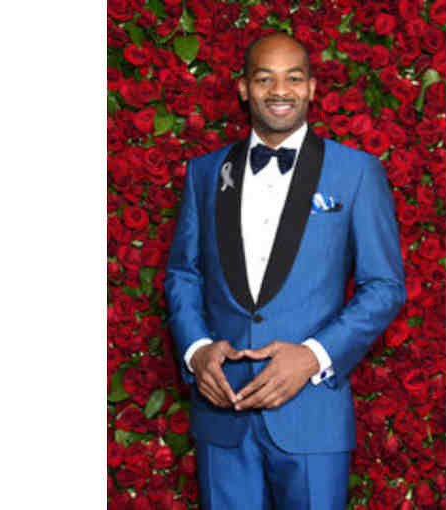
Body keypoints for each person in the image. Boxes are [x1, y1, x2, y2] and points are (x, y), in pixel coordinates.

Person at [164, 32, 406, 510]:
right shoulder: (205, 172)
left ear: (312, 87)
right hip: (222, 411)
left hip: (312, 414)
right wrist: (196, 350)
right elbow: (183, 274)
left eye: (293, 78)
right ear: (243, 88)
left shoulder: (356, 172)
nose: (279, 90)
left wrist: (314, 356)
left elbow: (384, 286)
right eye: (264, 78)